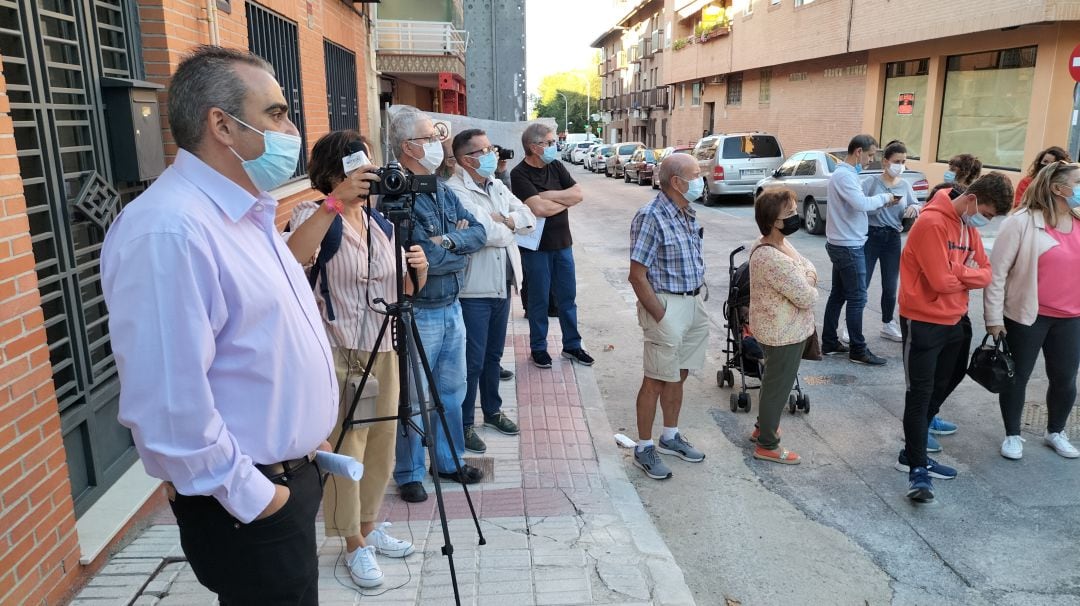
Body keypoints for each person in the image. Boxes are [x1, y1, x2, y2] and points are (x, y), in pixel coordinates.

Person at [101, 46, 338, 604]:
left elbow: (262, 342)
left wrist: (304, 437)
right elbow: (168, 404)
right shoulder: (170, 231)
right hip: (248, 503)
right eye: (276, 114)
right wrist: (255, 494)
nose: (292, 129)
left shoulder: (244, 213)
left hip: (287, 475)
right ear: (221, 125)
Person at [286, 132, 427, 588]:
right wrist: (334, 203)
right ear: (331, 173)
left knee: (383, 442)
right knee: (350, 447)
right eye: (354, 167)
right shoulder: (312, 214)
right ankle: (351, 543)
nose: (365, 175)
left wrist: (417, 274)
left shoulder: (380, 222)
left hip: (385, 348)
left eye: (367, 166)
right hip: (343, 351)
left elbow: (399, 293)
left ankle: (367, 527)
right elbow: (289, 262)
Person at [388, 108, 488, 501]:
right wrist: (452, 248)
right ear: (408, 146)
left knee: (452, 389)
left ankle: (447, 461)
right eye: (429, 138)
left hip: (451, 305)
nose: (438, 143)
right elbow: (411, 253)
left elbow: (477, 232)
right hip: (419, 310)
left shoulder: (440, 188)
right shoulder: (394, 193)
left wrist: (446, 245)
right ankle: (409, 471)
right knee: (412, 397)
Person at [896, 172, 1014, 503]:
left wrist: (959, 272)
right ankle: (917, 470)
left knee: (949, 378)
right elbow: (938, 281)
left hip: (956, 319)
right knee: (919, 394)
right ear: (974, 199)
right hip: (922, 321)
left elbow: (987, 271)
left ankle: (912, 448)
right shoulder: (932, 223)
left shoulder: (968, 225)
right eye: (988, 214)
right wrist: (966, 274)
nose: (986, 222)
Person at [445, 128, 537, 454]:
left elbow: (529, 218)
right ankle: (465, 423)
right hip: (474, 289)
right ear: (467, 158)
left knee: (494, 357)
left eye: (492, 149)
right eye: (484, 151)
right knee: (471, 361)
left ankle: (493, 411)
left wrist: (506, 221)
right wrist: (507, 225)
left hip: (502, 283)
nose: (492, 155)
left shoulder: (495, 184)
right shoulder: (455, 190)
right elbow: (485, 233)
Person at [985, 161, 1080, 460]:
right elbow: (996, 273)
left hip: (1071, 317)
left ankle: (1056, 431)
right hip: (1028, 315)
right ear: (1058, 188)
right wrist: (993, 318)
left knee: (1065, 379)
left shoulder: (1078, 220)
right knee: (1017, 376)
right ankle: (1013, 434)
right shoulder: (1021, 222)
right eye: (1078, 182)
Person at [627, 153, 709, 480]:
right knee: (657, 377)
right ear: (677, 182)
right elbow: (637, 275)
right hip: (666, 305)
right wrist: (662, 316)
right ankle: (644, 446)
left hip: (691, 304)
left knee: (680, 373)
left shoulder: (687, 212)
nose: (702, 180)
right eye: (697, 174)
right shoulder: (650, 216)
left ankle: (670, 436)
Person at [511, 123, 594, 369]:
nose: (554, 146)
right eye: (549, 142)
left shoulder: (556, 166)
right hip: (535, 248)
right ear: (534, 147)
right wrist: (560, 199)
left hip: (563, 244)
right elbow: (538, 209)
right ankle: (539, 348)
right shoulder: (520, 174)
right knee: (538, 300)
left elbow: (578, 194)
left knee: (567, 297)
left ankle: (572, 346)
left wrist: (548, 195)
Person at [748, 188, 818, 465]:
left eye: (794, 210)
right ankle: (767, 445)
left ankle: (763, 427)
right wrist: (809, 278)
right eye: (788, 214)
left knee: (773, 383)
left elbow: (807, 265)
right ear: (771, 221)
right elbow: (807, 296)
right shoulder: (772, 256)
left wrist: (806, 275)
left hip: (779, 328)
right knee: (779, 386)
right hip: (782, 333)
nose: (795, 217)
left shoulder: (777, 244)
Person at [822, 134, 900, 365]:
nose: (870, 159)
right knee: (857, 298)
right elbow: (862, 204)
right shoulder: (845, 176)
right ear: (858, 152)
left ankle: (829, 342)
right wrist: (886, 197)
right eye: (869, 155)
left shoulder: (846, 174)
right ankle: (858, 349)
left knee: (839, 294)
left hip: (843, 242)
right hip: (848, 245)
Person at [863, 140, 921, 343]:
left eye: (904, 161)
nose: (901, 165)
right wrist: (882, 202)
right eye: (897, 161)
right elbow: (858, 206)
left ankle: (888, 323)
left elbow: (915, 202)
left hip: (893, 237)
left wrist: (914, 208)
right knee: (863, 282)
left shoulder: (905, 185)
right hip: (872, 235)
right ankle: (851, 324)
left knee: (890, 284)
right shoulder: (871, 182)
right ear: (886, 161)